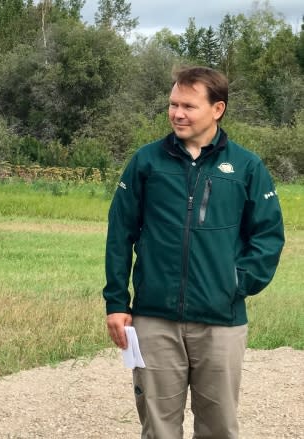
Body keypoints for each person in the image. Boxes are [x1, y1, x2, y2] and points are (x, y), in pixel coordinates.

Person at [103, 66, 285, 439]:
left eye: (188, 105)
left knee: (218, 428)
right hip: (154, 319)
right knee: (158, 428)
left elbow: (268, 236)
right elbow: (120, 233)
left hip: (221, 321)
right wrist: (117, 302)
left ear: (217, 109)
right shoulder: (146, 162)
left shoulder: (247, 166)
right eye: (173, 104)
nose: (177, 113)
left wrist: (234, 282)